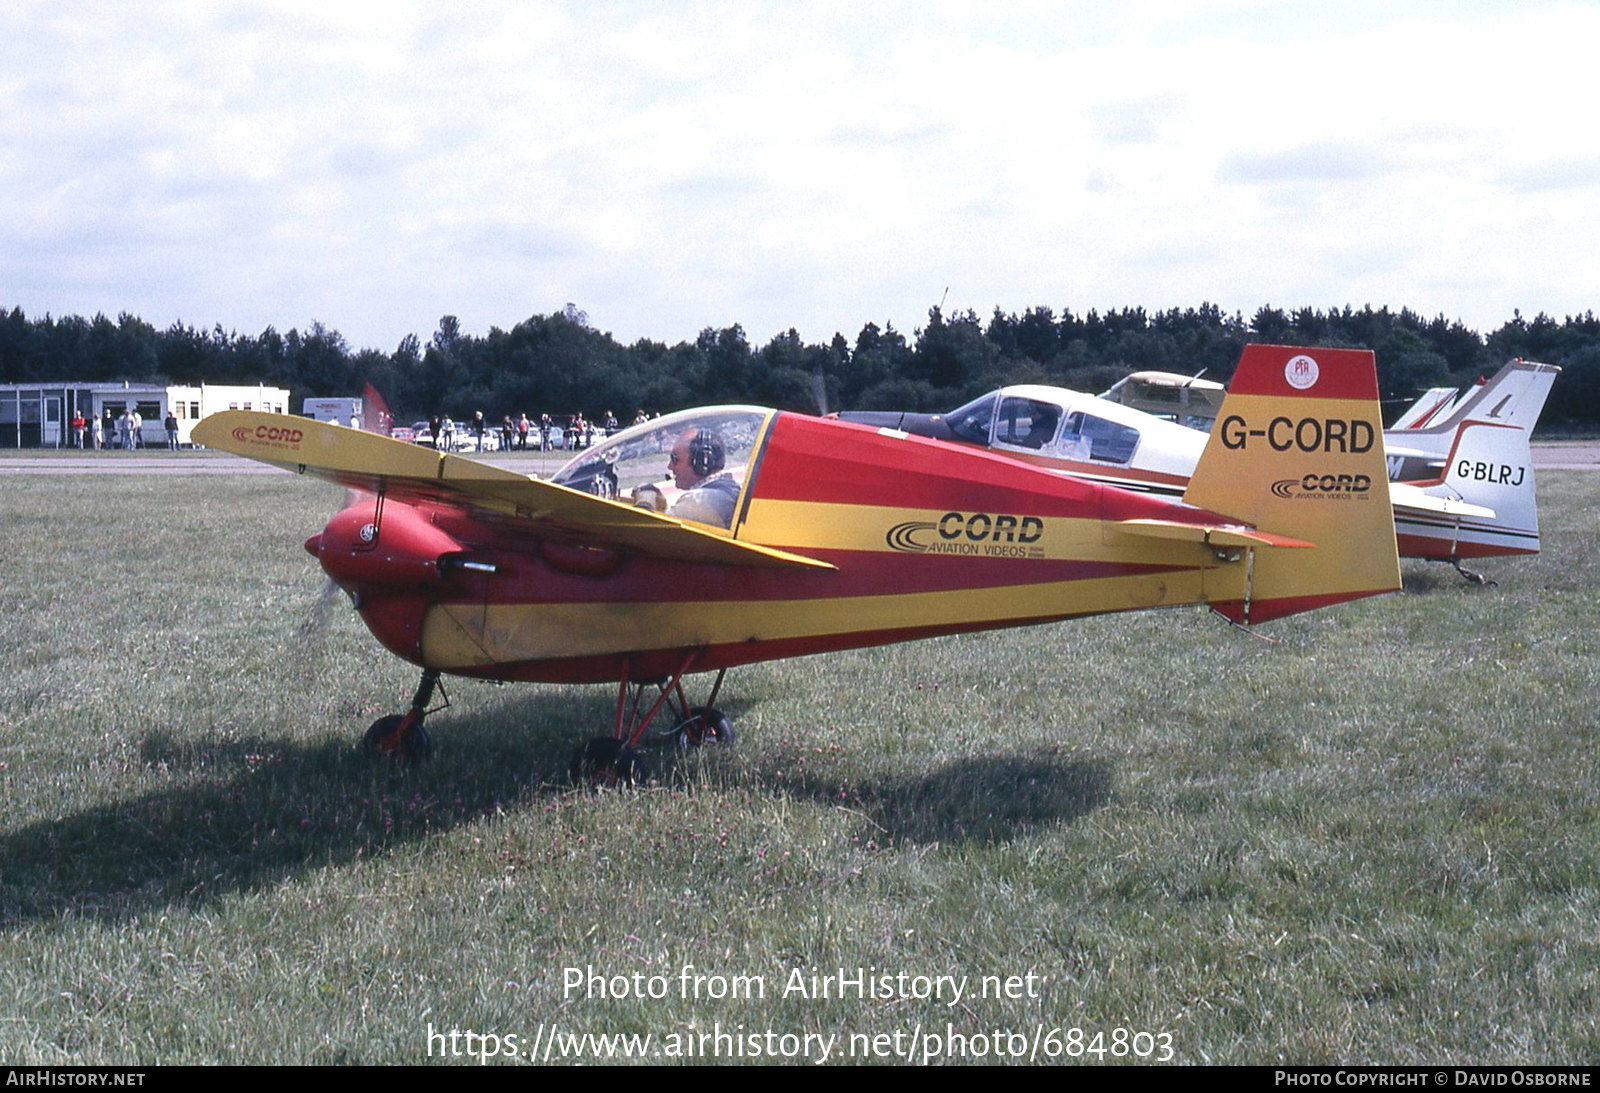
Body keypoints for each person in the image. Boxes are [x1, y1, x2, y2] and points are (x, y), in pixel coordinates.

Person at [663, 428, 739, 528]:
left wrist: (645, 502)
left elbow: (654, 530)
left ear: (701, 462)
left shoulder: (698, 501)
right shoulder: (728, 490)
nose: (670, 466)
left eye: (675, 459)